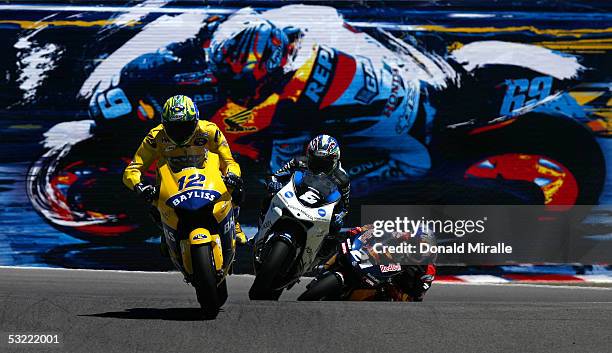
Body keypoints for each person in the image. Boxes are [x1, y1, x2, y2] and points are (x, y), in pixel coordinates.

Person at [122, 95, 248, 251]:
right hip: (172, 182)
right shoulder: (155, 136)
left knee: (236, 187)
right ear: (164, 124)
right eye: (174, 127)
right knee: (153, 203)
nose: (180, 132)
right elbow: (132, 169)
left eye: (185, 126)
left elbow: (229, 162)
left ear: (196, 121)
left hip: (205, 177)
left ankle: (234, 224)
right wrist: (139, 186)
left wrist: (232, 175)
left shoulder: (209, 130)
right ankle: (167, 231)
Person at [265, 134, 350, 232]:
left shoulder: (342, 178)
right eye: (316, 161)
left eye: (325, 163)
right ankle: (260, 234)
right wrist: (274, 184)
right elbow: (275, 176)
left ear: (335, 159)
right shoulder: (298, 162)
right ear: (309, 155)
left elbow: (345, 208)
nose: (320, 167)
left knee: (334, 230)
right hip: (292, 200)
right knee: (269, 198)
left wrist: (339, 217)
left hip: (319, 212)